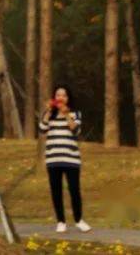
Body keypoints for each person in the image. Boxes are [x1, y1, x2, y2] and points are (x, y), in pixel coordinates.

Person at [38, 83, 90, 232]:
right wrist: (48, 111)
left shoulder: (75, 113)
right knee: (56, 191)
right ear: (54, 97)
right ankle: (61, 221)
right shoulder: (49, 114)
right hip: (53, 159)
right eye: (58, 95)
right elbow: (42, 130)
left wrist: (66, 114)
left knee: (74, 190)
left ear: (68, 98)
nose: (60, 98)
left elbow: (76, 131)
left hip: (71, 158)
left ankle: (79, 220)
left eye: (64, 95)